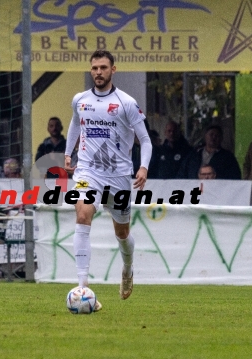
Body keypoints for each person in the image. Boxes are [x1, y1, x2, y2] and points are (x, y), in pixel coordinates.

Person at [64, 50, 152, 311]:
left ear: (113, 69)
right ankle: (83, 287)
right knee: (82, 214)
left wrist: (143, 167)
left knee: (122, 234)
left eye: (103, 67)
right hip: (87, 171)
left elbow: (145, 139)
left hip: (119, 176)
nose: (98, 72)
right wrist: (68, 153)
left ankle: (127, 268)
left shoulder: (126, 103)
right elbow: (75, 124)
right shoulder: (80, 100)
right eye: (94, 68)